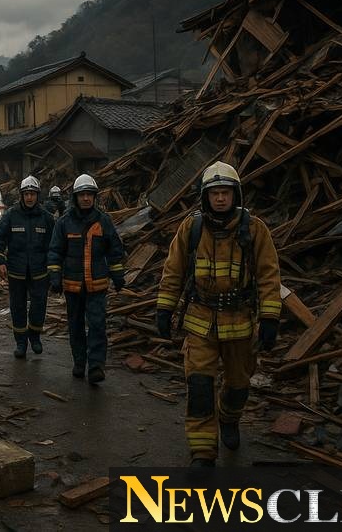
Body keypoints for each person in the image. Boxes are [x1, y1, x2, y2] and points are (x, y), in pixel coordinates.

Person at [155, 161, 281, 467]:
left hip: (239, 325)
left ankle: (229, 417)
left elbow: (268, 276)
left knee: (239, 384)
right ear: (205, 197)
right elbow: (173, 271)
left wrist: (269, 318)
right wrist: (164, 309)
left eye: (225, 192)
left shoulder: (254, 230)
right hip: (200, 323)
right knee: (199, 387)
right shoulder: (191, 228)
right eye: (215, 193)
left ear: (235, 195)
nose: (220, 199)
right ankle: (203, 452)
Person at [47, 174, 125, 385]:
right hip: (73, 285)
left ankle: (96, 366)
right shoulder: (64, 223)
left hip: (97, 285)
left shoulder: (103, 221)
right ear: (76, 197)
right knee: (75, 325)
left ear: (95, 197)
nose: (86, 199)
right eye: (83, 195)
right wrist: (55, 276)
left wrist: (118, 275)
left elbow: (115, 250)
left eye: (90, 195)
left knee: (98, 324)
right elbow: (55, 251)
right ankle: (79, 362)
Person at [0, 176, 56, 358]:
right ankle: (20, 343)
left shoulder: (46, 218)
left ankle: (34, 338)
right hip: (16, 271)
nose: (29, 198)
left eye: (32, 194)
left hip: (40, 272)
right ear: (21, 195)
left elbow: (55, 245)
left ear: (37, 196)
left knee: (39, 306)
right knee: (18, 307)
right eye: (26, 194)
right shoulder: (11, 215)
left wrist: (54, 268)